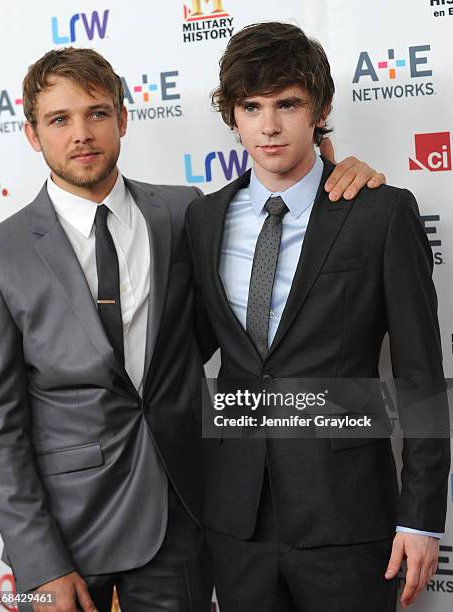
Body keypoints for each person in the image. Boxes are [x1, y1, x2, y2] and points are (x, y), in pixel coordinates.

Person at [0, 47, 382, 612]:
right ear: (30, 133)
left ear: (123, 119)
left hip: (184, 518)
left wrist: (338, 172)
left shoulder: (186, 213)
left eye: (98, 113)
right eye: (59, 119)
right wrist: (37, 561)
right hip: (61, 531)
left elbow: (239, 314)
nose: (82, 133)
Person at [185, 22, 451, 612]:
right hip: (236, 522)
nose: (269, 126)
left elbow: (420, 373)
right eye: (251, 107)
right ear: (232, 115)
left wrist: (423, 517)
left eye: (287, 104)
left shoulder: (380, 213)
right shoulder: (202, 220)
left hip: (349, 516)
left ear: (320, 109)